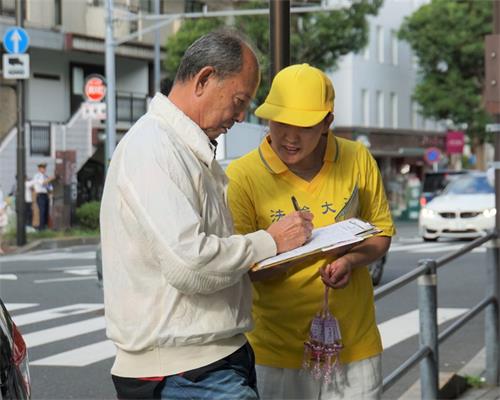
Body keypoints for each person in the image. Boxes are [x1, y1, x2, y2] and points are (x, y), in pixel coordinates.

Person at [100, 30, 314, 400]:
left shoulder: (183, 147)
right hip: (182, 371)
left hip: (204, 362)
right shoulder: (152, 148)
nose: (241, 114)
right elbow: (191, 264)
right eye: (238, 99)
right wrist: (270, 241)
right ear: (204, 79)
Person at [226, 63, 395, 399]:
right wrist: (280, 251)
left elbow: (382, 233)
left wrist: (350, 261)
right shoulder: (242, 176)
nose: (289, 136)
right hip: (274, 352)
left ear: (326, 122)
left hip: (354, 347)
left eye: (303, 126)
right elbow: (238, 266)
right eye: (279, 121)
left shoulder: (357, 158)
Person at [33, 163, 54, 230]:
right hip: (40, 195)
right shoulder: (37, 176)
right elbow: (43, 183)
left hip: (46, 195)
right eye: (43, 168)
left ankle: (45, 226)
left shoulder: (46, 176)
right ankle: (41, 227)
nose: (44, 169)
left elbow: (49, 187)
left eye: (45, 168)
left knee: (46, 211)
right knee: (42, 211)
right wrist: (50, 179)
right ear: (39, 169)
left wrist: (51, 191)